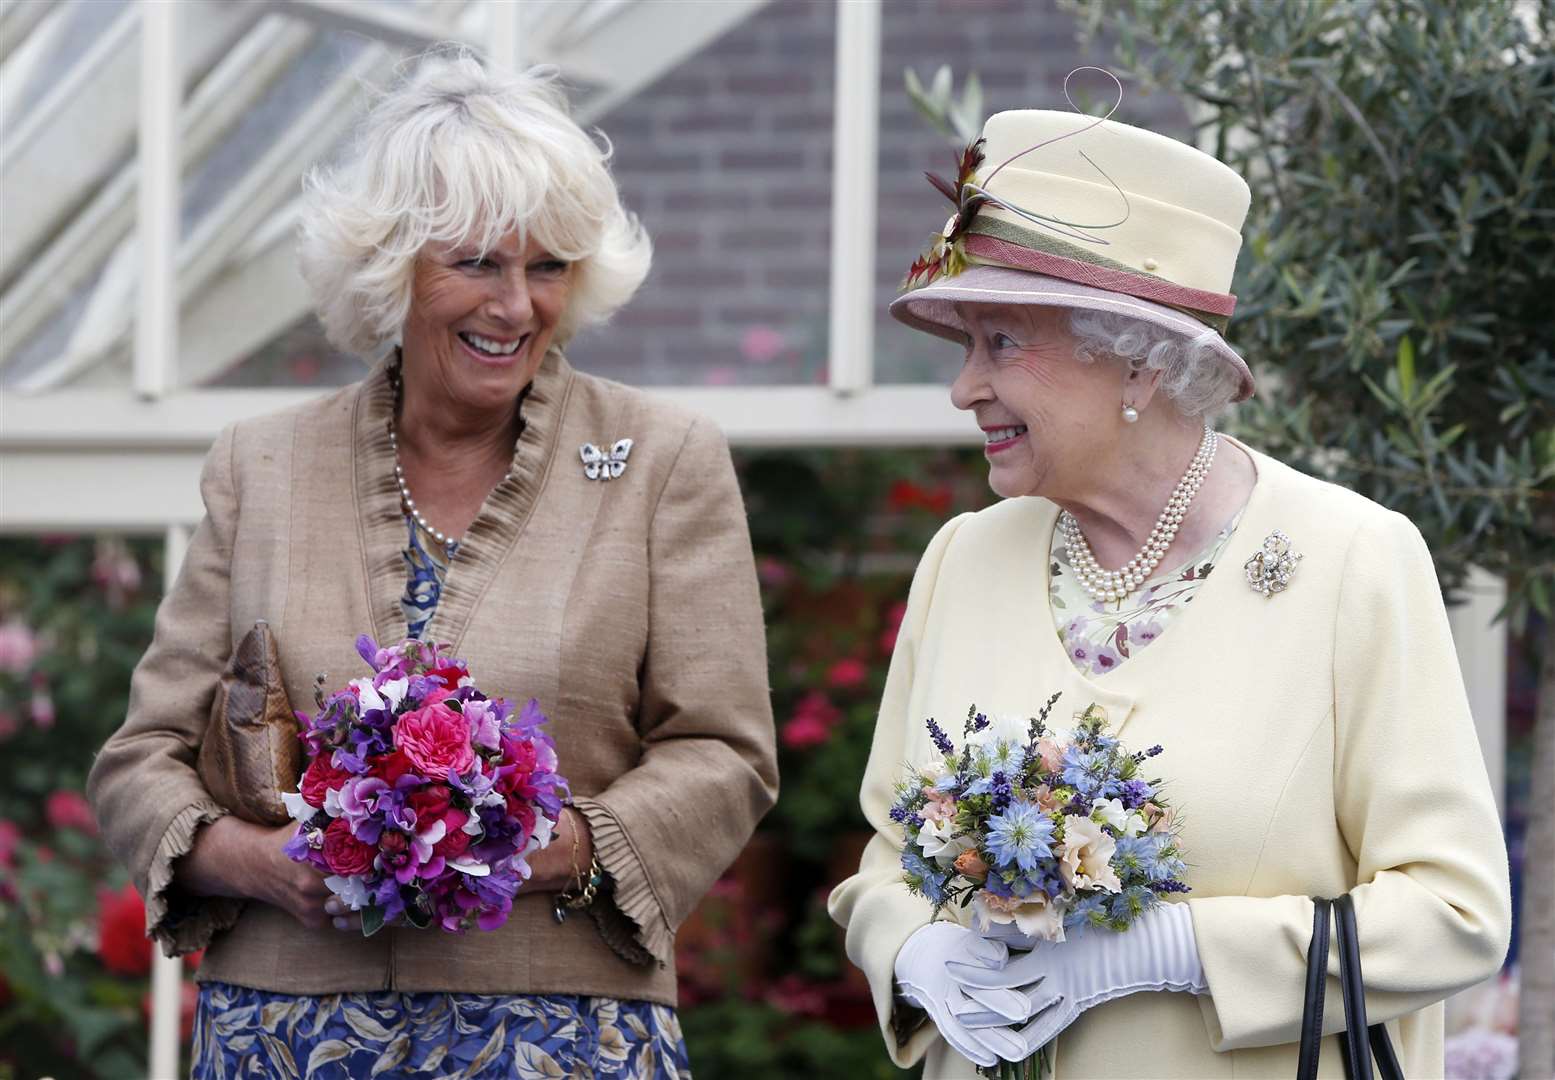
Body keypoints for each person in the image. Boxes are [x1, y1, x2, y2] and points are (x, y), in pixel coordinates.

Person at [87, 52, 777, 1078]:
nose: (515, 306)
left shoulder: (661, 460)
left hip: (564, 1037)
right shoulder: (260, 465)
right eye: (476, 263)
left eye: (547, 267)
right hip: (286, 1034)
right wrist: (263, 869)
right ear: (389, 267)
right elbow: (141, 760)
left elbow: (725, 751)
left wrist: (555, 851)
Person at [829, 92, 1510, 1078]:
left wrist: (1177, 952)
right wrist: (912, 950)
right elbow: (887, 865)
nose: (963, 386)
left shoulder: (1353, 560)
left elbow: (1454, 915)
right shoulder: (962, 561)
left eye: (1001, 343)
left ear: (1134, 364)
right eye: (967, 343)